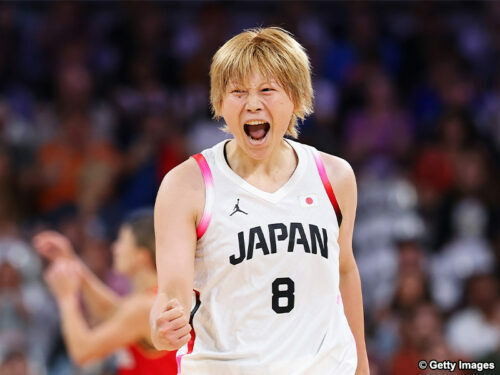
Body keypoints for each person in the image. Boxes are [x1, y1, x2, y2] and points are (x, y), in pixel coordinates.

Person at [150, 27, 370, 375]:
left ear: (297, 98)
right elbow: (172, 292)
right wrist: (161, 327)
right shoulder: (187, 184)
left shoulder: (335, 176)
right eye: (237, 92)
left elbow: (344, 269)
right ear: (219, 103)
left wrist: (361, 367)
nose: (253, 103)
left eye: (267, 90)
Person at [33, 210, 177, 374]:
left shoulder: (145, 307)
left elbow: (82, 352)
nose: (115, 248)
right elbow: (110, 310)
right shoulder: (151, 299)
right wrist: (71, 260)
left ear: (141, 256)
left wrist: (66, 298)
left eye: (122, 241)